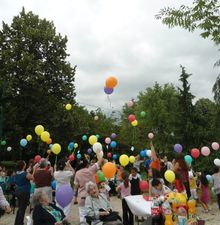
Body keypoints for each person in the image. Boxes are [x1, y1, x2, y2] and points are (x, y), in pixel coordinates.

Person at [74, 154, 103, 223]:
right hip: (93, 196)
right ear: (87, 164)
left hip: (82, 198)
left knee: (83, 218)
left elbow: (76, 187)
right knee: (95, 217)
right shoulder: (91, 169)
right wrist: (98, 152)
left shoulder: (77, 173)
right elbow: (100, 160)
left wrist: (75, 198)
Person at [14, 160, 33, 225]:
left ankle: (17, 222)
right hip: (24, 192)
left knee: (20, 208)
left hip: (18, 192)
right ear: (23, 166)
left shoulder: (16, 173)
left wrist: (27, 171)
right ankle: (19, 223)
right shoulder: (25, 174)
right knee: (22, 209)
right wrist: (33, 170)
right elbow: (32, 178)